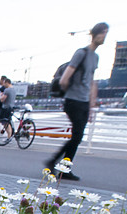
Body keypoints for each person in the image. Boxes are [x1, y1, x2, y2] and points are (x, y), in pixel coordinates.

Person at [46, 21, 109, 181]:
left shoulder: (95, 57)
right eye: (103, 33)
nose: (104, 37)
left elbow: (92, 81)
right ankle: (56, 162)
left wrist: (92, 104)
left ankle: (63, 167)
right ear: (95, 34)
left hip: (84, 102)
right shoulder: (81, 53)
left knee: (78, 136)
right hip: (73, 100)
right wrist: (70, 91)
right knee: (77, 136)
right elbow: (65, 78)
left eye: (106, 34)